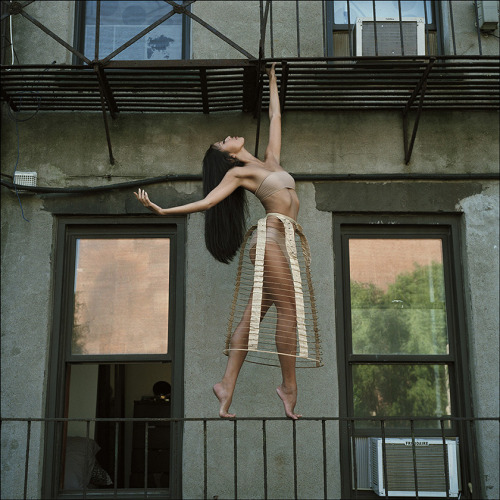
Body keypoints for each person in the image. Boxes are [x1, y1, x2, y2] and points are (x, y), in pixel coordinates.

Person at [135, 64, 320, 420]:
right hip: (270, 243)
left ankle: (226, 386)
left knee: (253, 318)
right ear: (229, 156)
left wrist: (271, 78)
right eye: (223, 142)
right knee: (290, 313)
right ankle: (289, 387)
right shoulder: (238, 173)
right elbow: (207, 203)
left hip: (282, 246)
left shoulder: (271, 162)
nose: (228, 136)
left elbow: (276, 115)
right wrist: (162, 210)